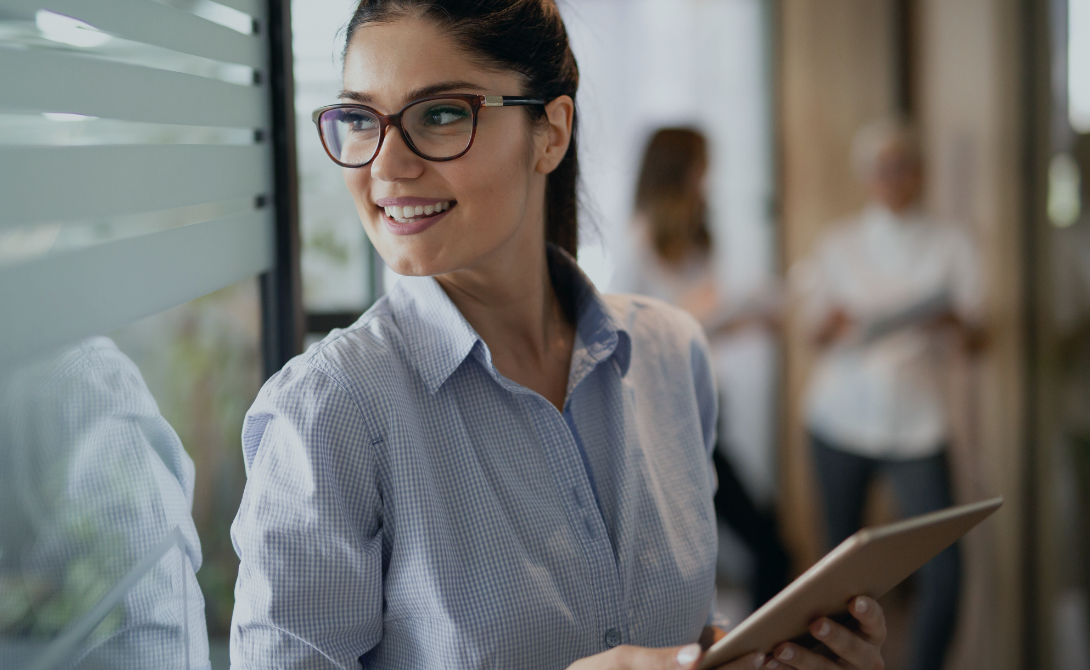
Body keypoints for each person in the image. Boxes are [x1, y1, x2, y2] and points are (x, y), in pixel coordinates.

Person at [229, 2, 886, 669]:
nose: (386, 165)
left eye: (441, 114)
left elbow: (683, 630)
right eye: (360, 120)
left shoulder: (670, 355)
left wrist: (761, 657)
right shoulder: (327, 413)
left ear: (550, 132)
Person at [792, 117, 982, 670]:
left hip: (918, 418)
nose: (893, 178)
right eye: (882, 168)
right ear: (866, 177)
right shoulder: (839, 243)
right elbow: (811, 330)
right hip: (839, 416)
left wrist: (949, 320)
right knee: (839, 571)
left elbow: (980, 335)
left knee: (944, 571)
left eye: (903, 167)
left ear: (920, 173)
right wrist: (833, 324)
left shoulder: (951, 242)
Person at [613, 128, 789, 611]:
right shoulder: (639, 243)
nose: (707, 180)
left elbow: (696, 330)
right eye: (700, 167)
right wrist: (705, 314)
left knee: (752, 544)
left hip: (703, 404)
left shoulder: (698, 235)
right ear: (678, 170)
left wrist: (746, 319)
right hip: (663, 420)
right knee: (763, 545)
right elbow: (633, 334)